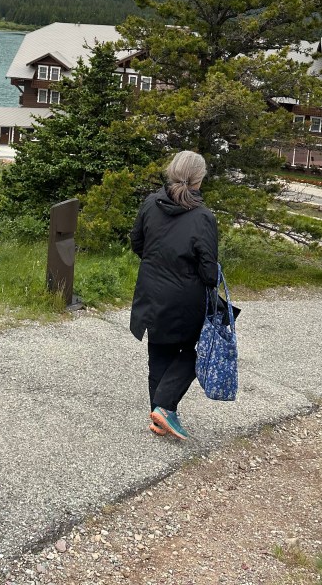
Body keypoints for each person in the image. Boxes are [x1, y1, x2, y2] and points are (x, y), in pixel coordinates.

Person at [129, 150, 218, 441]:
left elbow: (137, 243)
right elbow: (209, 272)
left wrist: (158, 263)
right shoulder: (203, 217)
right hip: (185, 299)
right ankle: (164, 407)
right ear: (199, 179)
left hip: (150, 291)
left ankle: (158, 417)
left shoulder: (151, 203)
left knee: (159, 353)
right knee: (195, 354)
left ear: (171, 171)